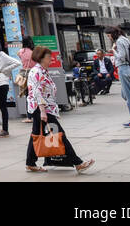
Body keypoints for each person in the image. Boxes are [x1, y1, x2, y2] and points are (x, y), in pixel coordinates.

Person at [25, 45, 94, 174]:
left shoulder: (43, 71)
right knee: (59, 135)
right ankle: (77, 163)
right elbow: (37, 92)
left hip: (44, 108)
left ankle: (30, 162)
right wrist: (43, 111)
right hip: (42, 109)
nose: (51, 59)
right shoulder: (37, 72)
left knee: (36, 135)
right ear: (41, 58)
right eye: (48, 57)